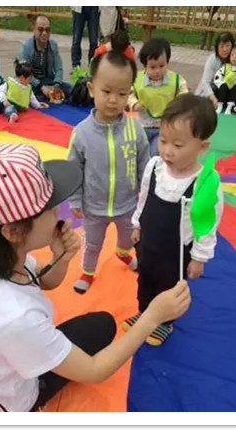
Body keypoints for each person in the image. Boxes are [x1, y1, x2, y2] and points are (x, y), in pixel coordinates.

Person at [0, 143, 191, 412]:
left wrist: (61, 257)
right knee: (99, 335)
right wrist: (152, 317)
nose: (59, 212)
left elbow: (44, 281)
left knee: (101, 326)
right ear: (13, 231)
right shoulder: (15, 317)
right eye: (50, 207)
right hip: (3, 400)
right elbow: (94, 370)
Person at [127, 94, 223, 346]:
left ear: (202, 147)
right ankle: (144, 312)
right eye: (163, 140)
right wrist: (137, 223)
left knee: (168, 287)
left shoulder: (204, 183)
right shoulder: (155, 166)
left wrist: (199, 258)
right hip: (148, 241)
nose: (167, 150)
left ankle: (164, 322)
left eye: (178, 145)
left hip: (176, 251)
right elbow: (144, 196)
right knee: (145, 278)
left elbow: (207, 224)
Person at [67, 51, 150, 294]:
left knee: (128, 239)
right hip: (94, 206)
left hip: (128, 205)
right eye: (106, 91)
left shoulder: (135, 129)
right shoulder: (82, 133)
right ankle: (87, 271)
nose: (114, 100)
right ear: (92, 89)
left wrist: (145, 196)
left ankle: (122, 254)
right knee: (92, 243)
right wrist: (75, 199)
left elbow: (145, 165)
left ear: (130, 93)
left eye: (122, 94)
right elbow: (74, 169)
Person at [129, 37, 189, 156]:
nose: (157, 71)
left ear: (167, 62)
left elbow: (184, 93)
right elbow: (128, 93)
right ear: (145, 66)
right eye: (152, 67)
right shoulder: (137, 79)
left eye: (162, 66)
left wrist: (178, 105)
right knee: (137, 152)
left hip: (164, 128)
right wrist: (134, 103)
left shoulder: (175, 80)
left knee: (154, 154)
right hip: (142, 125)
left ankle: (154, 166)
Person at [17, 15, 72, 102]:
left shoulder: (53, 45)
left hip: (48, 81)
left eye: (47, 30)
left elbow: (58, 68)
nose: (44, 33)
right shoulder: (26, 47)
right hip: (31, 83)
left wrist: (56, 85)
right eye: (40, 29)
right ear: (34, 30)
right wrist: (41, 87)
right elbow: (24, 73)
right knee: (24, 91)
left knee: (71, 88)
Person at [195, 31, 234, 108]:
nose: (225, 49)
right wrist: (213, 99)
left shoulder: (234, 59)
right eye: (222, 46)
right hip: (211, 93)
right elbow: (205, 82)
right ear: (217, 47)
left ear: (232, 46)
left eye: (227, 46)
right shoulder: (212, 59)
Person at [70, 7, 100, 74]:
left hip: (94, 8)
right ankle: (76, 67)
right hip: (79, 8)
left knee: (94, 41)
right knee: (76, 39)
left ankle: (92, 67)